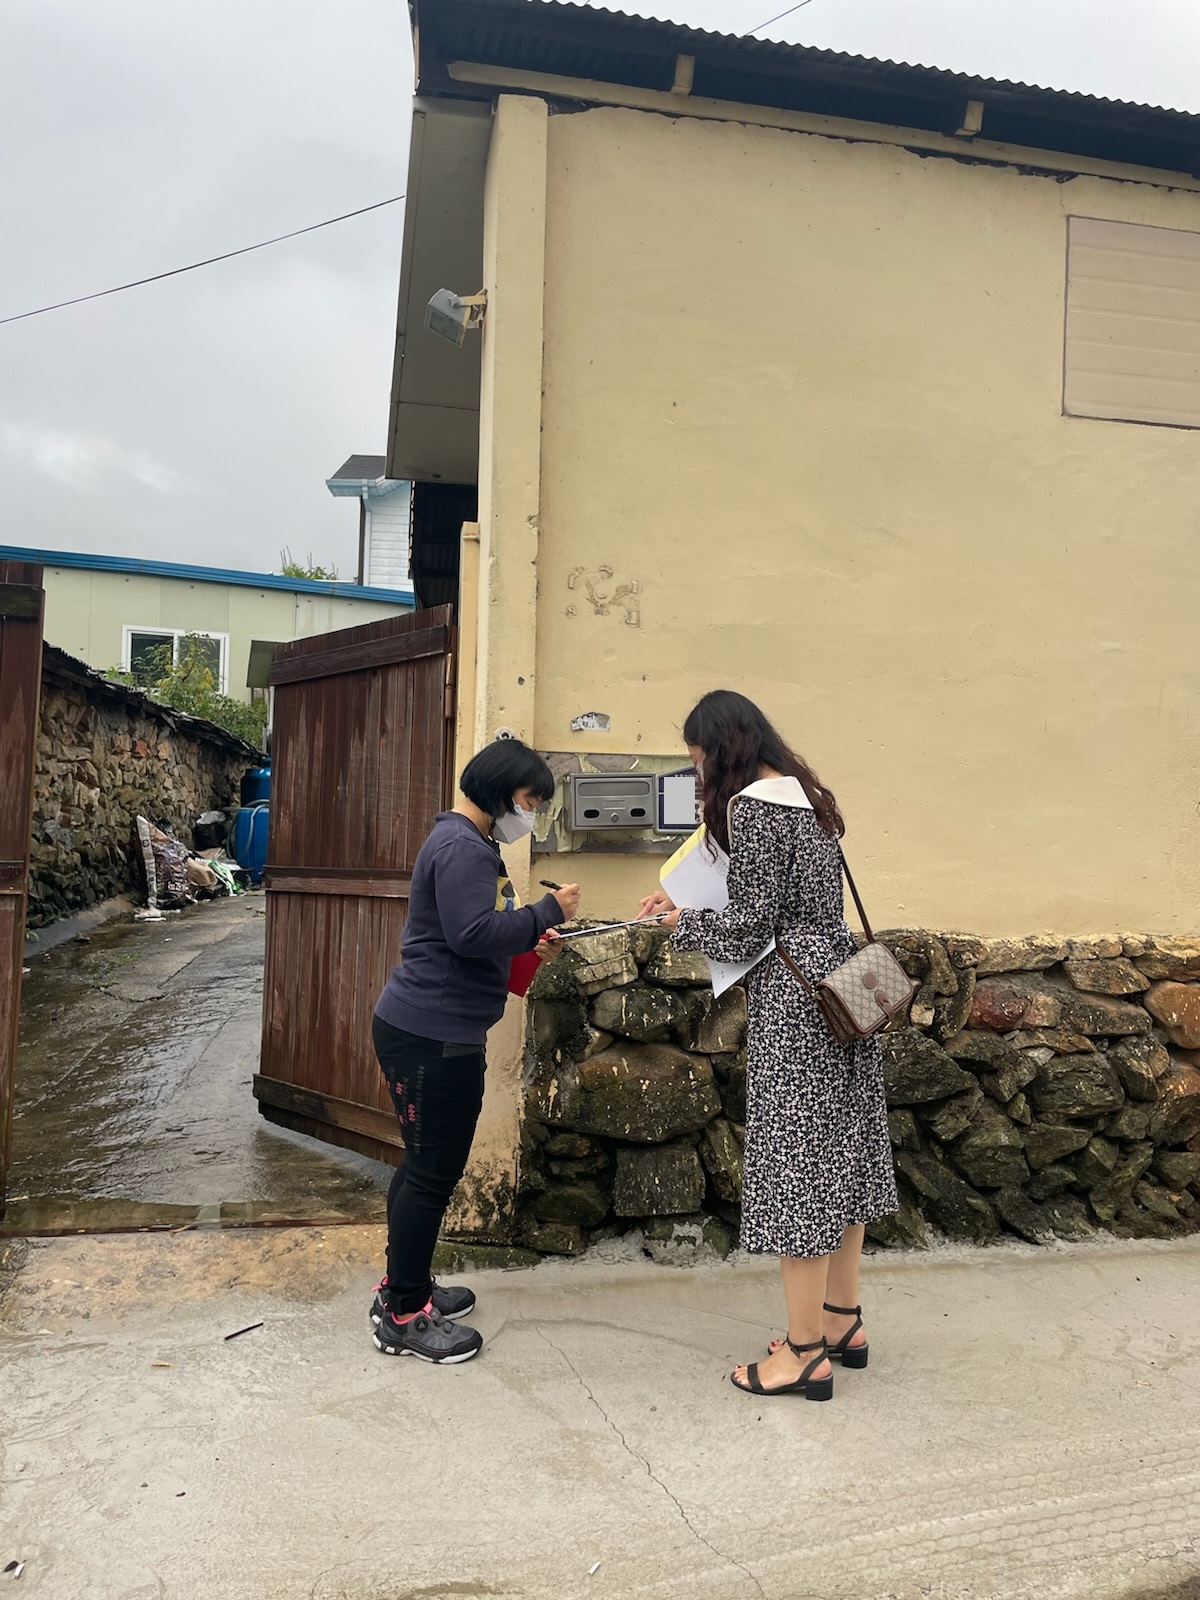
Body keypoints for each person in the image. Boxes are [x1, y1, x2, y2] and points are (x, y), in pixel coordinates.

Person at [639, 690, 897, 1400]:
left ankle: (804, 1354)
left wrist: (683, 924)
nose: (698, 775)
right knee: (842, 1158)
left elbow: (749, 926)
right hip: (842, 990)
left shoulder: (753, 809)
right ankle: (842, 1321)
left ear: (723, 750)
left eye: (699, 760)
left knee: (796, 1169)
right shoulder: (807, 797)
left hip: (795, 1002)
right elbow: (791, 906)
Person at [370, 738, 580, 1363]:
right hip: (432, 1036)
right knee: (432, 1173)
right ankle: (405, 1315)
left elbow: (471, 939)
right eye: (529, 801)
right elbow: (467, 934)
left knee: (421, 1166)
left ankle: (403, 1285)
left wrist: (529, 945)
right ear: (499, 790)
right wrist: (545, 910)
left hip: (430, 1028)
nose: (531, 814)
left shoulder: (468, 842)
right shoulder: (463, 846)